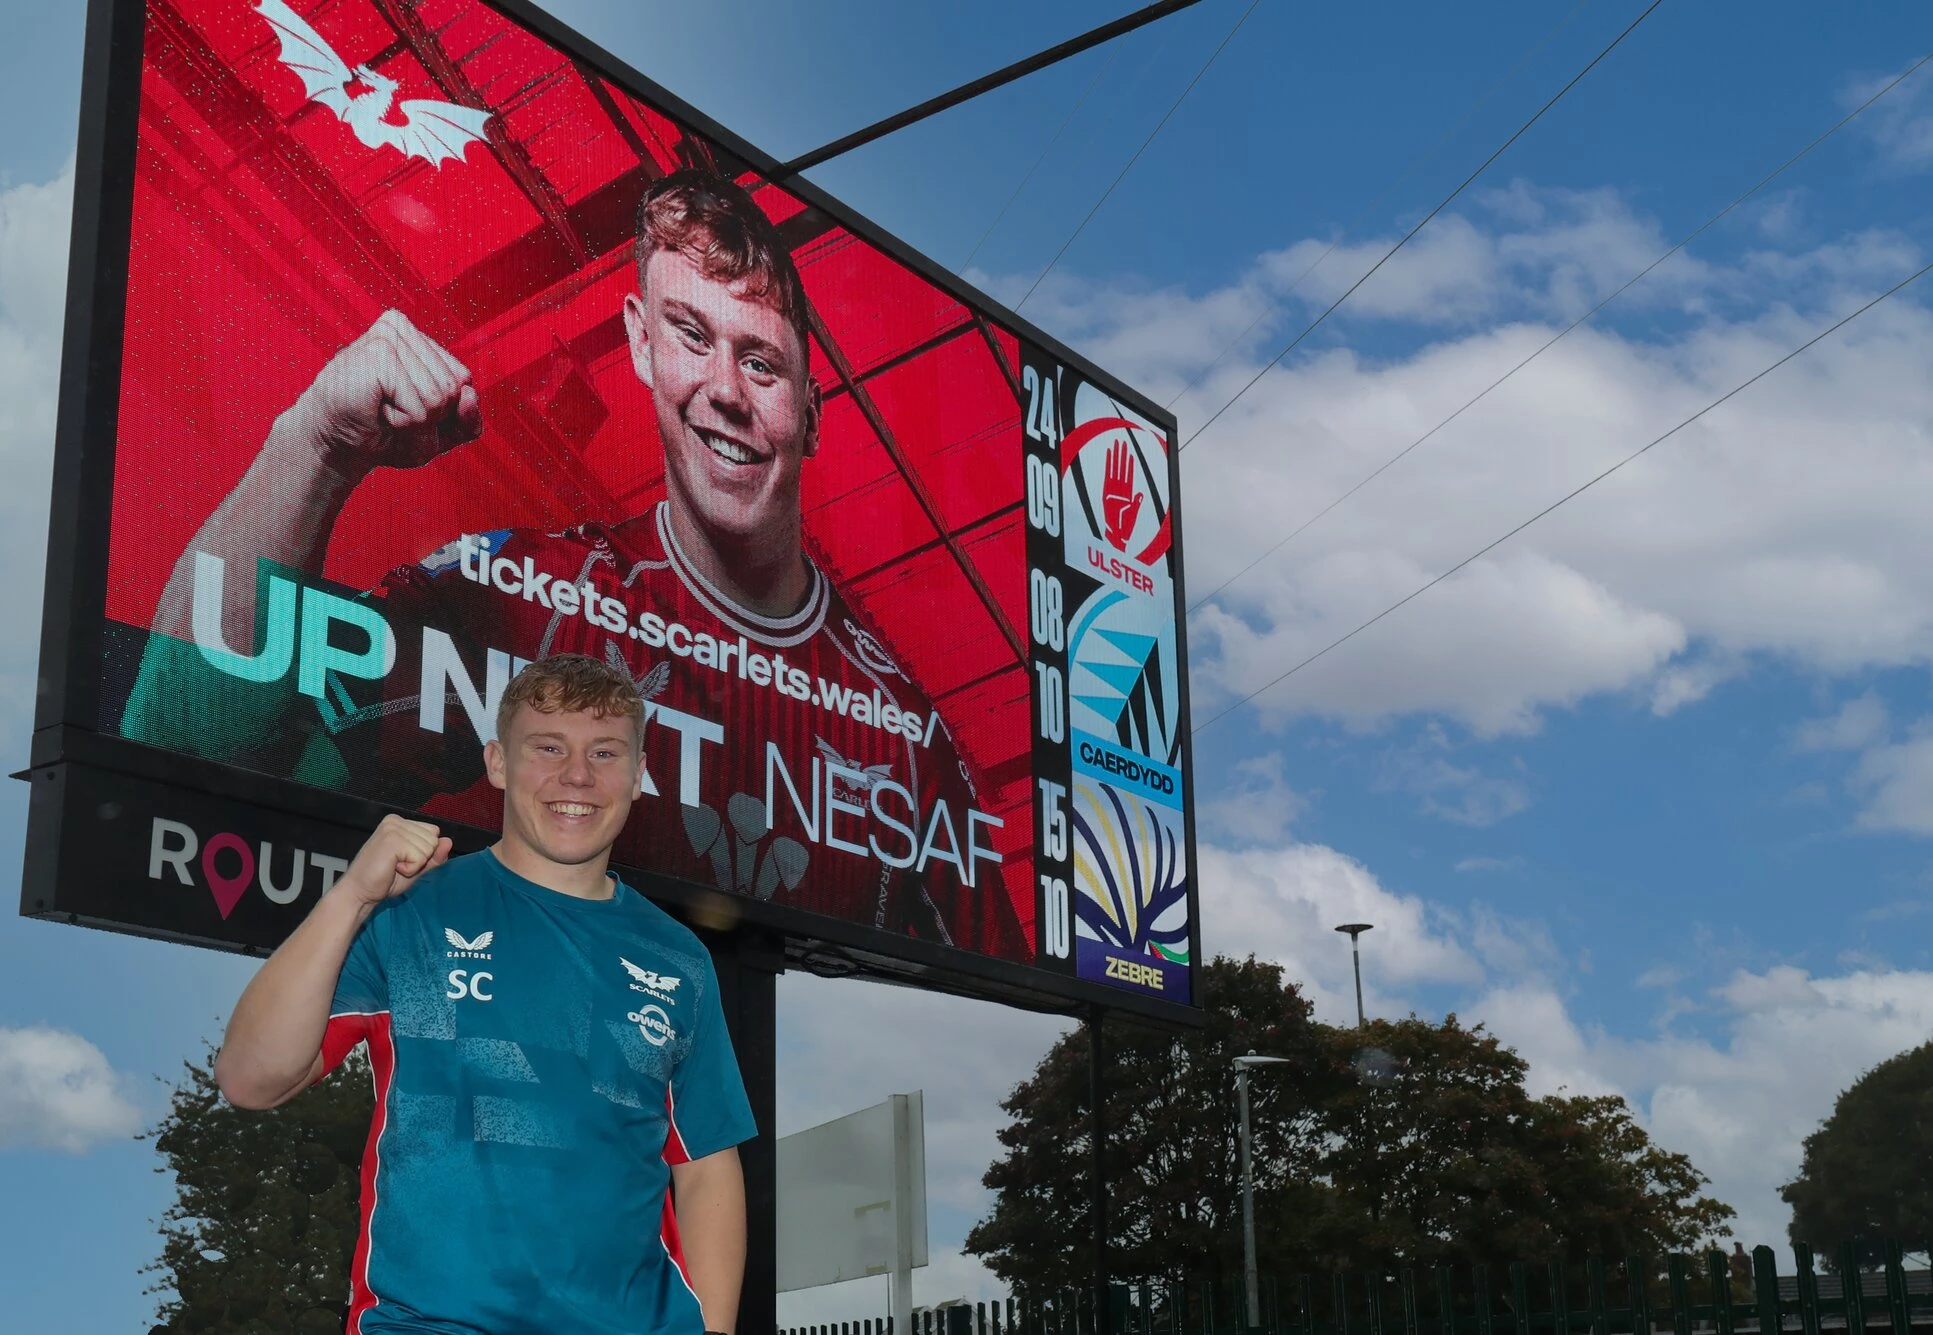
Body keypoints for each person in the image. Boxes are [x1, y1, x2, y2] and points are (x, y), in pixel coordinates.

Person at [128, 168, 1026, 961]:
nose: (723, 389)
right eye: (690, 335)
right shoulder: (530, 594)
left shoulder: (907, 737)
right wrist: (314, 444)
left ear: (813, 409)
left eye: (761, 362)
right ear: (638, 341)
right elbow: (177, 760)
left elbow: (1002, 1005)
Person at [214, 654, 754, 1335]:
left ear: (639, 774)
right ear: (498, 762)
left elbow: (706, 1165)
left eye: (605, 752)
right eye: (548, 747)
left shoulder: (678, 958)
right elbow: (249, 1078)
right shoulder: (407, 909)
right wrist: (351, 896)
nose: (577, 775)